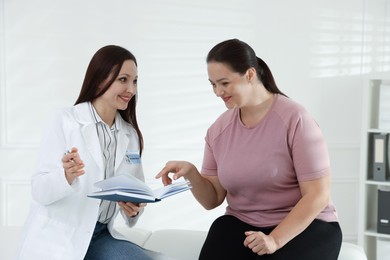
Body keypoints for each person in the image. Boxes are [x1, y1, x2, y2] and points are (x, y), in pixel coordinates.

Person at [156, 39, 342, 260]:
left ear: (250, 74)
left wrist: (274, 240)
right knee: (221, 228)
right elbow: (212, 199)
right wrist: (191, 173)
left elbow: (317, 195)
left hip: (307, 225)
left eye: (224, 83)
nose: (217, 92)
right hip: (244, 224)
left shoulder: (295, 119)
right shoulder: (219, 130)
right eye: (213, 84)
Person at [15, 45, 171, 260]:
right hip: (60, 237)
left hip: (100, 236)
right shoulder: (64, 120)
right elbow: (39, 190)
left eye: (134, 81)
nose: (132, 90)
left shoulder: (130, 135)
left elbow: (135, 191)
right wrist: (66, 176)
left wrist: (133, 208)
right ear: (100, 79)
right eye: (123, 80)